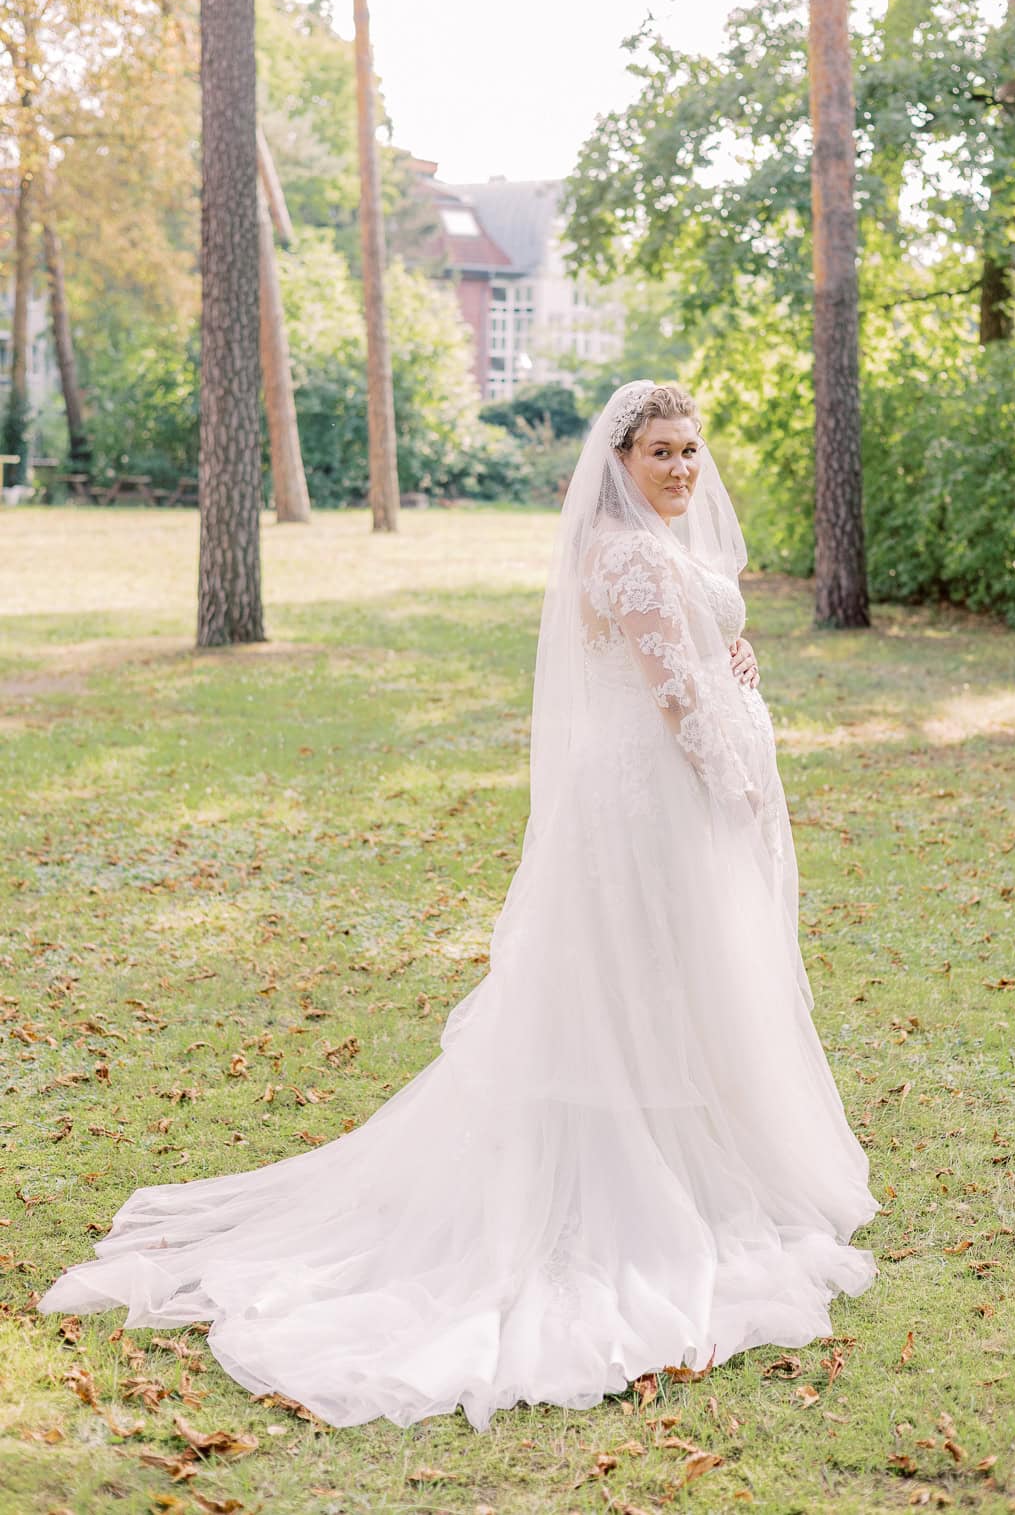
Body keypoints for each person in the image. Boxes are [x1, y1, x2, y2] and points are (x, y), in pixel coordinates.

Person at [38, 380, 880, 1432]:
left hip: (654, 788)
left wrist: (734, 658)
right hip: (655, 795)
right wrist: (738, 787)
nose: (679, 468)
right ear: (617, 463)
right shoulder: (623, 553)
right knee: (641, 975)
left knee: (673, 976)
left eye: (690, 450)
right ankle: (631, 1181)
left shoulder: (656, 553)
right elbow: (669, 695)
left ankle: (690, 1148)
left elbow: (689, 653)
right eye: (660, 451)